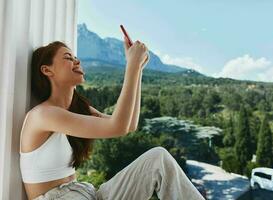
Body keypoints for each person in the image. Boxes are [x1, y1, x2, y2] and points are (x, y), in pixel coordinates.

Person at [19, 37, 205, 200]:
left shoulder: (76, 109)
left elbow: (129, 125)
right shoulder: (44, 115)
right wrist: (131, 65)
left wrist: (137, 69)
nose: (77, 61)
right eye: (68, 58)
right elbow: (119, 126)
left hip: (87, 194)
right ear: (47, 70)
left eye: (76, 58)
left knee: (158, 160)